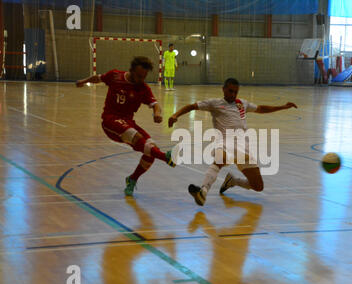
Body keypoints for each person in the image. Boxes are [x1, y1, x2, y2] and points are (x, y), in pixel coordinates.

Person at [168, 78, 297, 206]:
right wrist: (175, 115)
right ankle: (203, 191)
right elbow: (192, 106)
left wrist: (283, 107)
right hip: (224, 141)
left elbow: (261, 108)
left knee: (258, 186)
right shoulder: (215, 103)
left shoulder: (241, 103)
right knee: (220, 159)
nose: (233, 94)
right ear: (223, 89)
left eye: (236, 92)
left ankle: (233, 181)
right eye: (230, 91)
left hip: (242, 146)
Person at [76, 56, 175, 196]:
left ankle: (132, 179)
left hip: (128, 122)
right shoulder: (115, 75)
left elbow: (155, 104)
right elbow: (98, 78)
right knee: (140, 139)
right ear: (132, 70)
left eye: (144, 76)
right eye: (139, 76)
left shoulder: (143, 88)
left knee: (151, 150)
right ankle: (165, 157)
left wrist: (157, 114)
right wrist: (83, 81)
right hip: (110, 120)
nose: (142, 79)